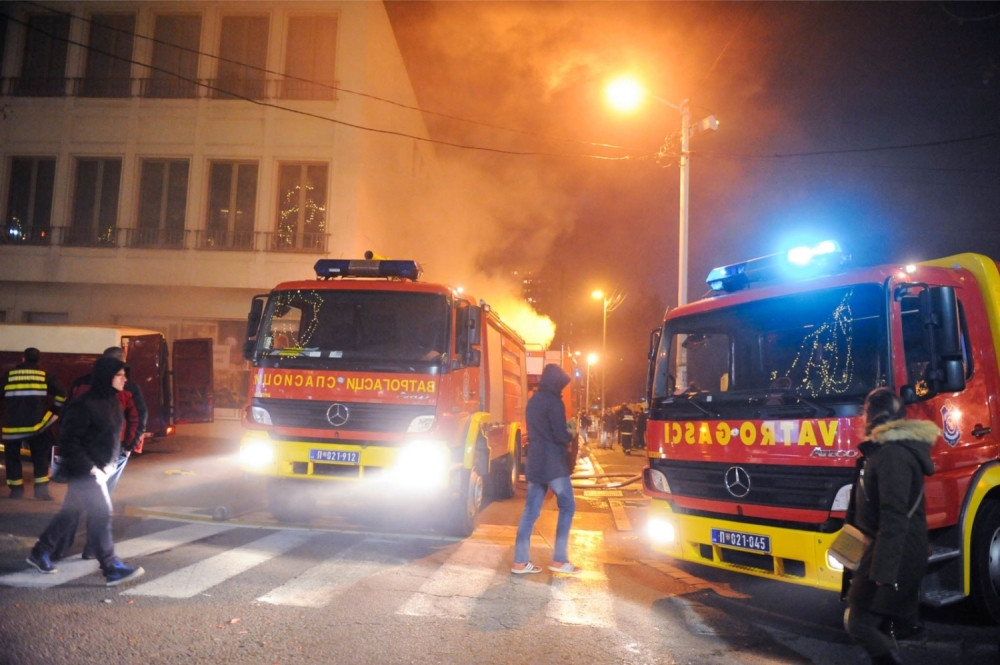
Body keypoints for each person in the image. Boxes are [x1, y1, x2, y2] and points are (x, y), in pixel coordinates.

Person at [25, 356, 145, 586]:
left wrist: (111, 462)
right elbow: (69, 440)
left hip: (101, 468)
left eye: (124, 374)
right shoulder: (84, 404)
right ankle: (111, 567)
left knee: (69, 513)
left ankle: (40, 552)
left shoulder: (112, 402)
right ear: (106, 377)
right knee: (102, 513)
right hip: (86, 471)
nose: (124, 379)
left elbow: (108, 437)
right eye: (119, 375)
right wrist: (92, 469)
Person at [843, 388, 937, 665]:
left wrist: (883, 571)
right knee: (878, 624)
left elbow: (894, 516)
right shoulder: (884, 451)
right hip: (887, 551)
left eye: (865, 411)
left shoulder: (892, 455)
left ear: (872, 415)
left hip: (892, 555)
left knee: (859, 623)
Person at [54, 346, 147, 560]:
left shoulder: (81, 383)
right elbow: (138, 418)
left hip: (82, 450)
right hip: (111, 452)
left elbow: (68, 413)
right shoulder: (128, 387)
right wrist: (130, 446)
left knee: (75, 497)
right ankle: (92, 548)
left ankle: (61, 547)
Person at [511, 363, 577, 575]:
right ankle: (559, 559)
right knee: (568, 505)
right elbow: (559, 434)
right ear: (556, 382)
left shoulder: (533, 401)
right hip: (553, 463)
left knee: (530, 511)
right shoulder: (554, 402)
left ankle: (520, 562)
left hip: (535, 461)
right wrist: (571, 433)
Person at [1, 347, 67, 500]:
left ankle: (16, 491)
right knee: (40, 459)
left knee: (12, 459)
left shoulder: (9, 376)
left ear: (22, 359)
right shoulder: (44, 376)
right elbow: (62, 394)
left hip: (12, 427)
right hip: (37, 427)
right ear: (38, 360)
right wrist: (53, 412)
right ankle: (41, 493)